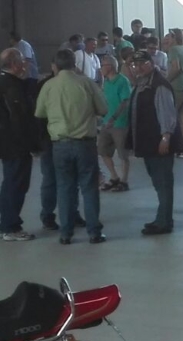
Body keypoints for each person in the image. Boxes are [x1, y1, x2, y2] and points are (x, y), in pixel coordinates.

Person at [35, 49, 108, 245]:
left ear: (55, 65)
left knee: (64, 187)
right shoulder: (86, 83)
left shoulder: (49, 85)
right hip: (85, 143)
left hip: (60, 144)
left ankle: (66, 233)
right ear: (74, 64)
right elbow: (103, 108)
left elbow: (40, 112)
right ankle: (94, 232)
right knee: (89, 187)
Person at [129, 50, 180, 235]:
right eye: (135, 65)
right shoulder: (143, 84)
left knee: (163, 182)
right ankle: (162, 218)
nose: (138, 68)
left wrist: (165, 137)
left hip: (159, 143)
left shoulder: (159, 86)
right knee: (159, 182)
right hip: (149, 143)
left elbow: (167, 114)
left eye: (142, 64)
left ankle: (164, 222)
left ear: (151, 64)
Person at [0, 48, 40, 242]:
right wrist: (33, 144)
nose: (25, 63)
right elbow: (20, 118)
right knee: (16, 184)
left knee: (10, 182)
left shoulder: (5, 82)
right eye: (23, 60)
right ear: (15, 64)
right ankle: (10, 227)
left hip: (7, 142)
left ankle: (7, 223)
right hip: (16, 144)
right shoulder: (11, 86)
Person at [98, 55, 132, 192]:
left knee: (123, 154)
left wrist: (114, 117)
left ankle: (124, 180)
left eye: (102, 65)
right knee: (103, 150)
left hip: (120, 123)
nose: (100, 68)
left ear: (110, 67)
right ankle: (114, 176)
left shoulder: (122, 81)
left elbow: (125, 101)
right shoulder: (106, 82)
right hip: (106, 122)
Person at [166, 28, 183, 159]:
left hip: (177, 87)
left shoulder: (173, 50)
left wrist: (166, 80)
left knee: (172, 117)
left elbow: (176, 68)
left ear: (174, 37)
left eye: (169, 36)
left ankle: (175, 144)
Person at [9, 32, 39, 98]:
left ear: (13, 39)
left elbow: (27, 60)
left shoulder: (24, 45)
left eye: (10, 39)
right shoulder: (16, 46)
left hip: (29, 76)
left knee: (29, 96)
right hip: (22, 76)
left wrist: (24, 75)